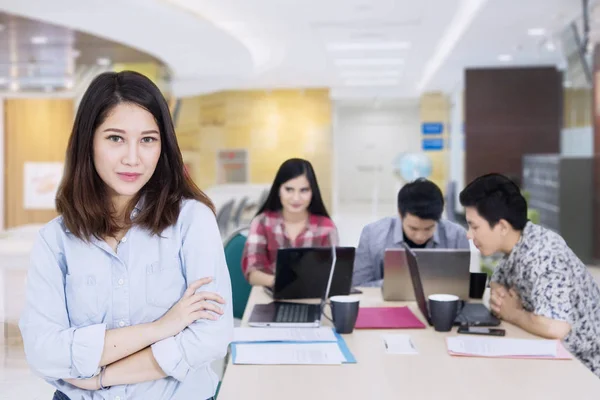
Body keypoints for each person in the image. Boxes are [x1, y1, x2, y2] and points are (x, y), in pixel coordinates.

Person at [18, 71, 233, 400]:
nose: (133, 158)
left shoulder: (192, 222)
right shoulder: (56, 239)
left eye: (148, 139)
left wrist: (102, 378)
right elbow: (44, 352)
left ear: (163, 146)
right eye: (115, 138)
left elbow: (212, 336)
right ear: (88, 141)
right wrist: (160, 328)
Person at [459, 173, 600, 378]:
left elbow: (556, 327)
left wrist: (514, 313)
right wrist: (508, 305)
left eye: (474, 226)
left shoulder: (544, 253)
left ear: (503, 227)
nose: (469, 234)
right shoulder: (516, 246)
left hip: (586, 368)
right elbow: (498, 289)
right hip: (551, 355)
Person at [353, 178, 469, 287]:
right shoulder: (373, 234)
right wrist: (401, 284)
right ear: (400, 213)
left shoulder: (457, 236)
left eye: (428, 228)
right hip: (385, 306)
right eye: (413, 228)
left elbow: (461, 286)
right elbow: (359, 286)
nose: (420, 236)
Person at [242, 158, 338, 287]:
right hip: (269, 295)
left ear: (312, 192)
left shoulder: (326, 227)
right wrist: (284, 284)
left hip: (313, 296)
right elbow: (252, 272)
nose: (296, 198)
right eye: (289, 189)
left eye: (304, 190)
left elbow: (333, 273)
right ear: (279, 190)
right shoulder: (262, 222)